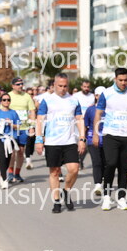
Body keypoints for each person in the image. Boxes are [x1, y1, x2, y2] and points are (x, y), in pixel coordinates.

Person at [94, 68, 127, 211]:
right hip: (110, 134)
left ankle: (121, 198)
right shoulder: (107, 93)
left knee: (123, 168)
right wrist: (96, 134)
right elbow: (98, 114)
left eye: (125, 80)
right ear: (115, 79)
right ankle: (106, 197)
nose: (123, 83)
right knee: (111, 164)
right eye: (120, 80)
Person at [35, 73, 86, 213]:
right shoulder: (47, 100)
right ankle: (56, 201)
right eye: (60, 86)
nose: (63, 89)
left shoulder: (73, 100)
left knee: (74, 169)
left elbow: (79, 119)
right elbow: (39, 120)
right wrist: (39, 140)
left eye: (65, 86)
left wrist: (82, 139)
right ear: (54, 85)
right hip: (52, 142)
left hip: (70, 141)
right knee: (55, 172)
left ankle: (66, 191)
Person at [0, 93, 20, 189]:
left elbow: (18, 126)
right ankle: (4, 179)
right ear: (1, 101)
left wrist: (11, 124)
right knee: (2, 159)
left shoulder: (13, 113)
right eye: (4, 100)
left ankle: (1, 175)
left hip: (10, 139)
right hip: (0, 139)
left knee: (8, 159)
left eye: (8, 100)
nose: (6, 101)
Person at [9, 77, 37, 180]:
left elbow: (32, 111)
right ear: (13, 86)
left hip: (24, 128)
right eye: (18, 84)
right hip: (11, 128)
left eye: (21, 84)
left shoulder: (27, 96)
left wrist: (32, 126)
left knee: (20, 152)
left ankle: (17, 173)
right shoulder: (8, 96)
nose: (20, 86)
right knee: (12, 152)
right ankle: (10, 173)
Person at [85, 86, 106, 195]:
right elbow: (85, 125)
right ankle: (98, 184)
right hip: (93, 139)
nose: (101, 97)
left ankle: (103, 180)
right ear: (96, 96)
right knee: (97, 162)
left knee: (106, 163)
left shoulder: (110, 109)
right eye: (99, 95)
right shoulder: (90, 109)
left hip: (108, 140)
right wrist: (82, 139)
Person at [73, 80, 95, 170]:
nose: (86, 89)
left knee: (86, 144)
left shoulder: (92, 96)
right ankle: (75, 160)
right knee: (76, 143)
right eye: (84, 87)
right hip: (77, 123)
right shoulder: (76, 96)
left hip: (88, 123)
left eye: (88, 87)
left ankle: (80, 159)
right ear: (81, 87)